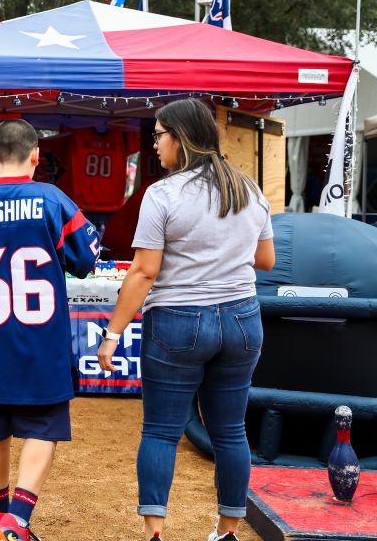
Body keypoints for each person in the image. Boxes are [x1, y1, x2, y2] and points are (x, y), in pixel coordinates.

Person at [96, 98, 275, 541]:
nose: (154, 144)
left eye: (158, 135)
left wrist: (112, 333)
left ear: (179, 136)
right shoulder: (249, 190)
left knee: (160, 431)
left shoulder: (163, 194)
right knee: (231, 431)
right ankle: (228, 530)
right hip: (241, 320)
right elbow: (265, 260)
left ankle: (156, 533)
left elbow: (143, 272)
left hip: (178, 320)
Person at [0, 119, 100, 541]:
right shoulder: (52, 199)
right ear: (35, 156)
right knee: (44, 427)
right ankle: (17, 521)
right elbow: (86, 258)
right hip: (42, 341)